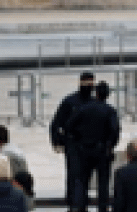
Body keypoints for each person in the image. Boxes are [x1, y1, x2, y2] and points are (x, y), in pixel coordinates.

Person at [69, 81, 121, 212]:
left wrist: (78, 138)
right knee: (103, 183)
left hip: (84, 150)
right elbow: (115, 130)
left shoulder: (83, 108)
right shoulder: (110, 111)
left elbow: (69, 125)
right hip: (102, 150)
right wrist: (110, 145)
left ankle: (81, 207)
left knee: (82, 182)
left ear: (96, 93)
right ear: (107, 95)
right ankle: (102, 208)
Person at [51, 71, 95, 211]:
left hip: (89, 145)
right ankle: (73, 204)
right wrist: (57, 141)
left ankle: (82, 204)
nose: (89, 87)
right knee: (74, 175)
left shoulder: (94, 102)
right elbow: (56, 123)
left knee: (86, 176)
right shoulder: (69, 102)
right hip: (73, 145)